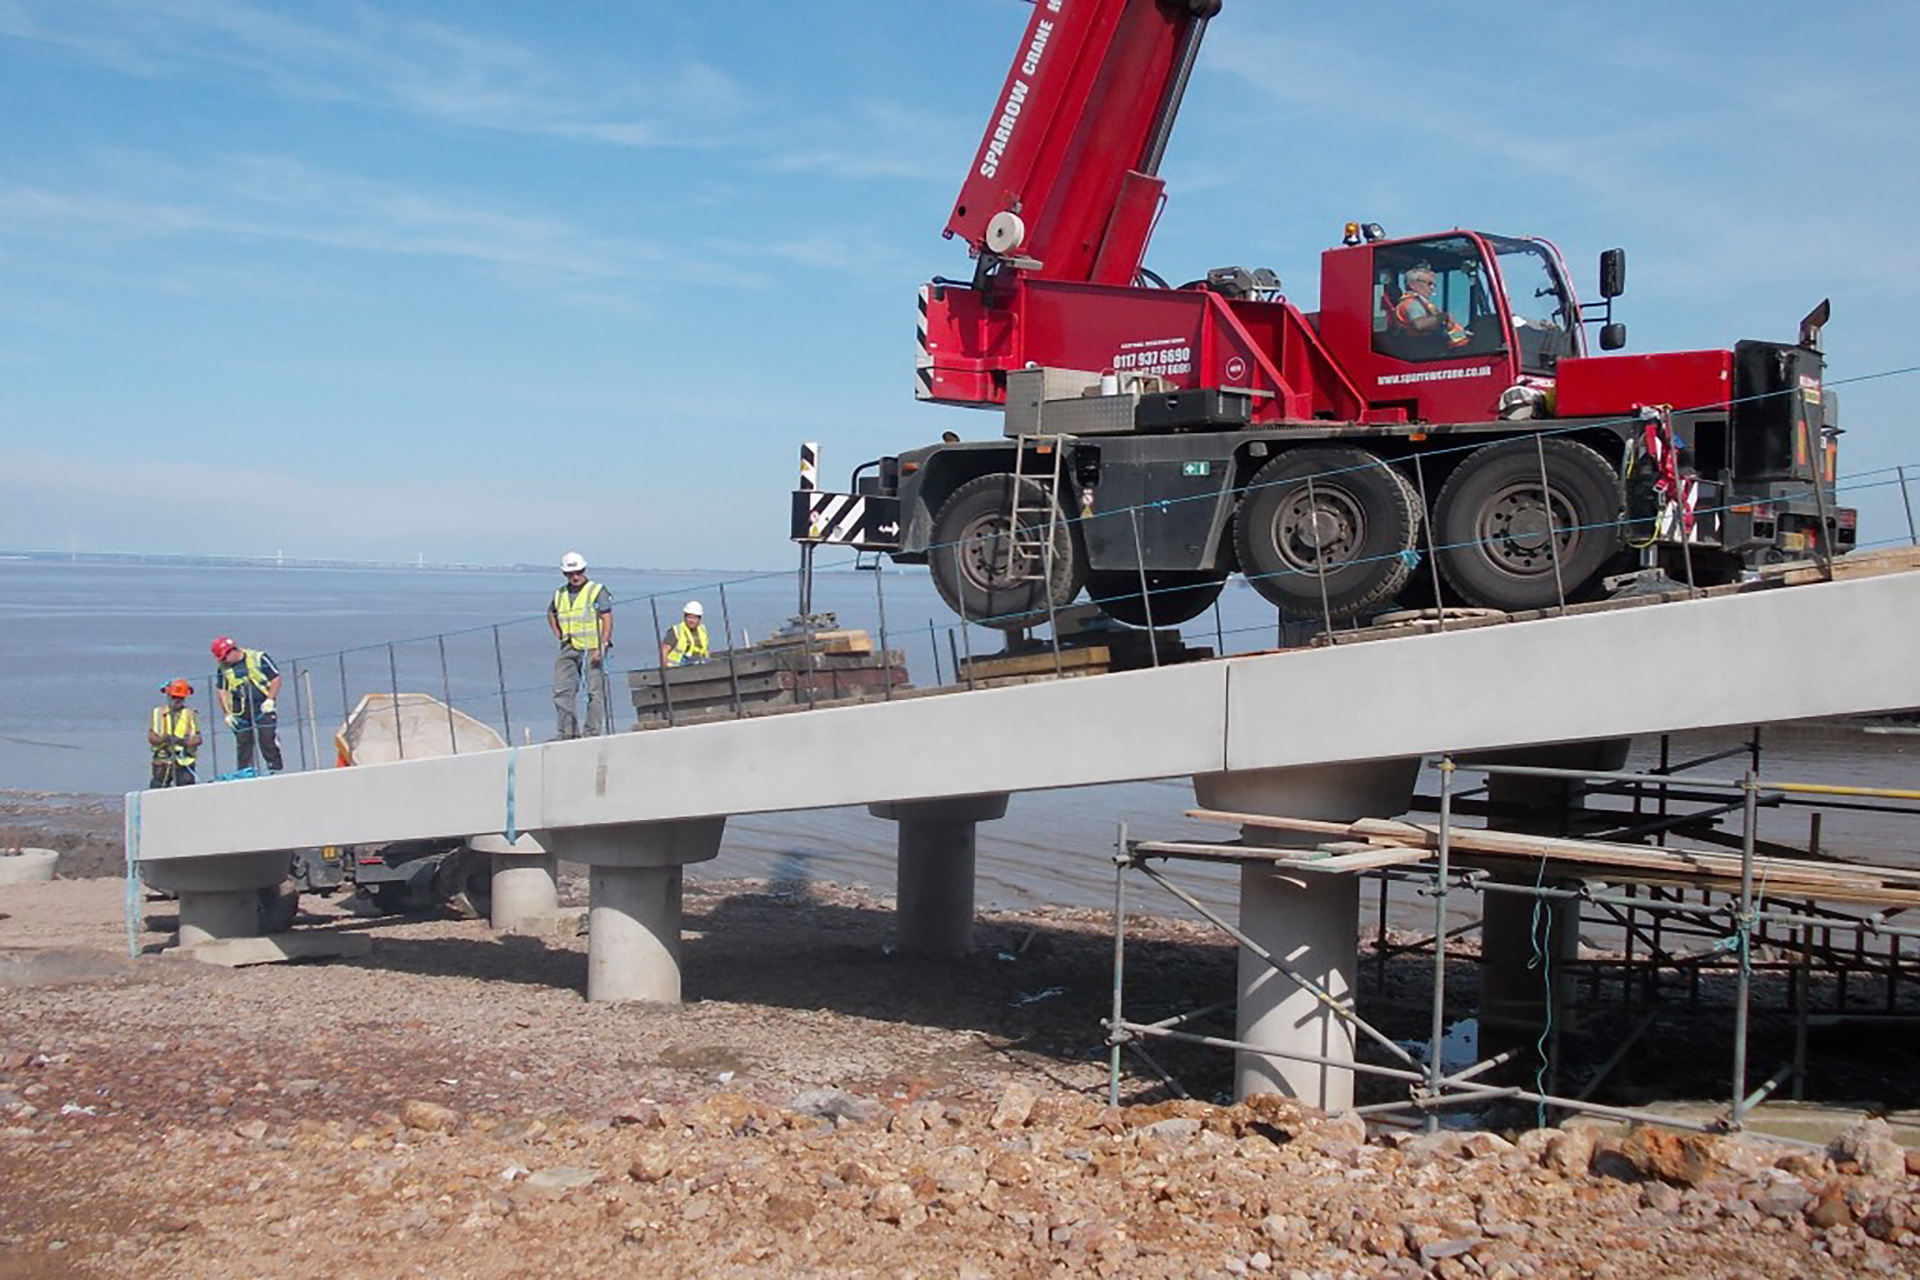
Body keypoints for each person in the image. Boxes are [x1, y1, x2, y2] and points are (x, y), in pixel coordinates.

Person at [549, 551, 613, 738]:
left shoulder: (596, 590)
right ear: (565, 574)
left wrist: (603, 645)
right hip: (569, 646)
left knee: (594, 692)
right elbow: (551, 612)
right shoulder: (560, 593)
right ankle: (567, 733)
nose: (575, 577)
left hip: (592, 648)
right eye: (571, 573)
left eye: (578, 572)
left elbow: (607, 618)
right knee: (561, 691)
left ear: (584, 570)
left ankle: (591, 732)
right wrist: (558, 633)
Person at [211, 635, 283, 774]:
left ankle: (275, 768)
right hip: (240, 708)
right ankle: (245, 771)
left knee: (267, 738)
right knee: (243, 742)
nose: (223, 661)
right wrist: (227, 714)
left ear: (232, 651)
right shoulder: (223, 668)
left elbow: (275, 678)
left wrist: (270, 699)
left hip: (262, 704)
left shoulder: (259, 658)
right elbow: (222, 690)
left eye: (224, 658)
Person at [1392, 265, 1471, 351]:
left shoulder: (1422, 303)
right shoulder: (1411, 303)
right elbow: (1419, 324)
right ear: (1413, 285)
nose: (1432, 288)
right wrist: (1444, 316)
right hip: (1423, 349)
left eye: (1434, 285)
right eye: (1429, 284)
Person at [148, 678, 203, 788]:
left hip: (184, 761)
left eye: (180, 698)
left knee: (186, 785)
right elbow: (152, 738)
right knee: (158, 786)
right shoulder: (158, 713)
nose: (177, 701)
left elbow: (198, 739)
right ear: (168, 696)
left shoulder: (190, 714)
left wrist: (182, 742)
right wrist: (164, 739)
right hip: (162, 760)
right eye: (174, 697)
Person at [661, 600, 710, 667]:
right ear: (685, 617)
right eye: (689, 617)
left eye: (695, 618)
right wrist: (665, 669)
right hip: (677, 668)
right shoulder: (676, 631)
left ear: (699, 619)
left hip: (698, 666)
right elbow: (664, 650)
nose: (692, 621)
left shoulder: (702, 630)